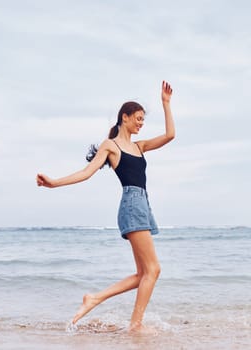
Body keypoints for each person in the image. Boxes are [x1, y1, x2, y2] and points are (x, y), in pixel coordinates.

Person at [36, 81, 175, 333]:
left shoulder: (139, 146)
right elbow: (87, 172)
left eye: (143, 120)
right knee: (153, 270)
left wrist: (166, 104)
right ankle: (136, 325)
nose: (141, 123)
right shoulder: (111, 145)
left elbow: (170, 135)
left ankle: (95, 298)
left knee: (143, 273)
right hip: (132, 204)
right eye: (138, 118)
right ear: (125, 116)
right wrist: (54, 183)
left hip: (143, 203)